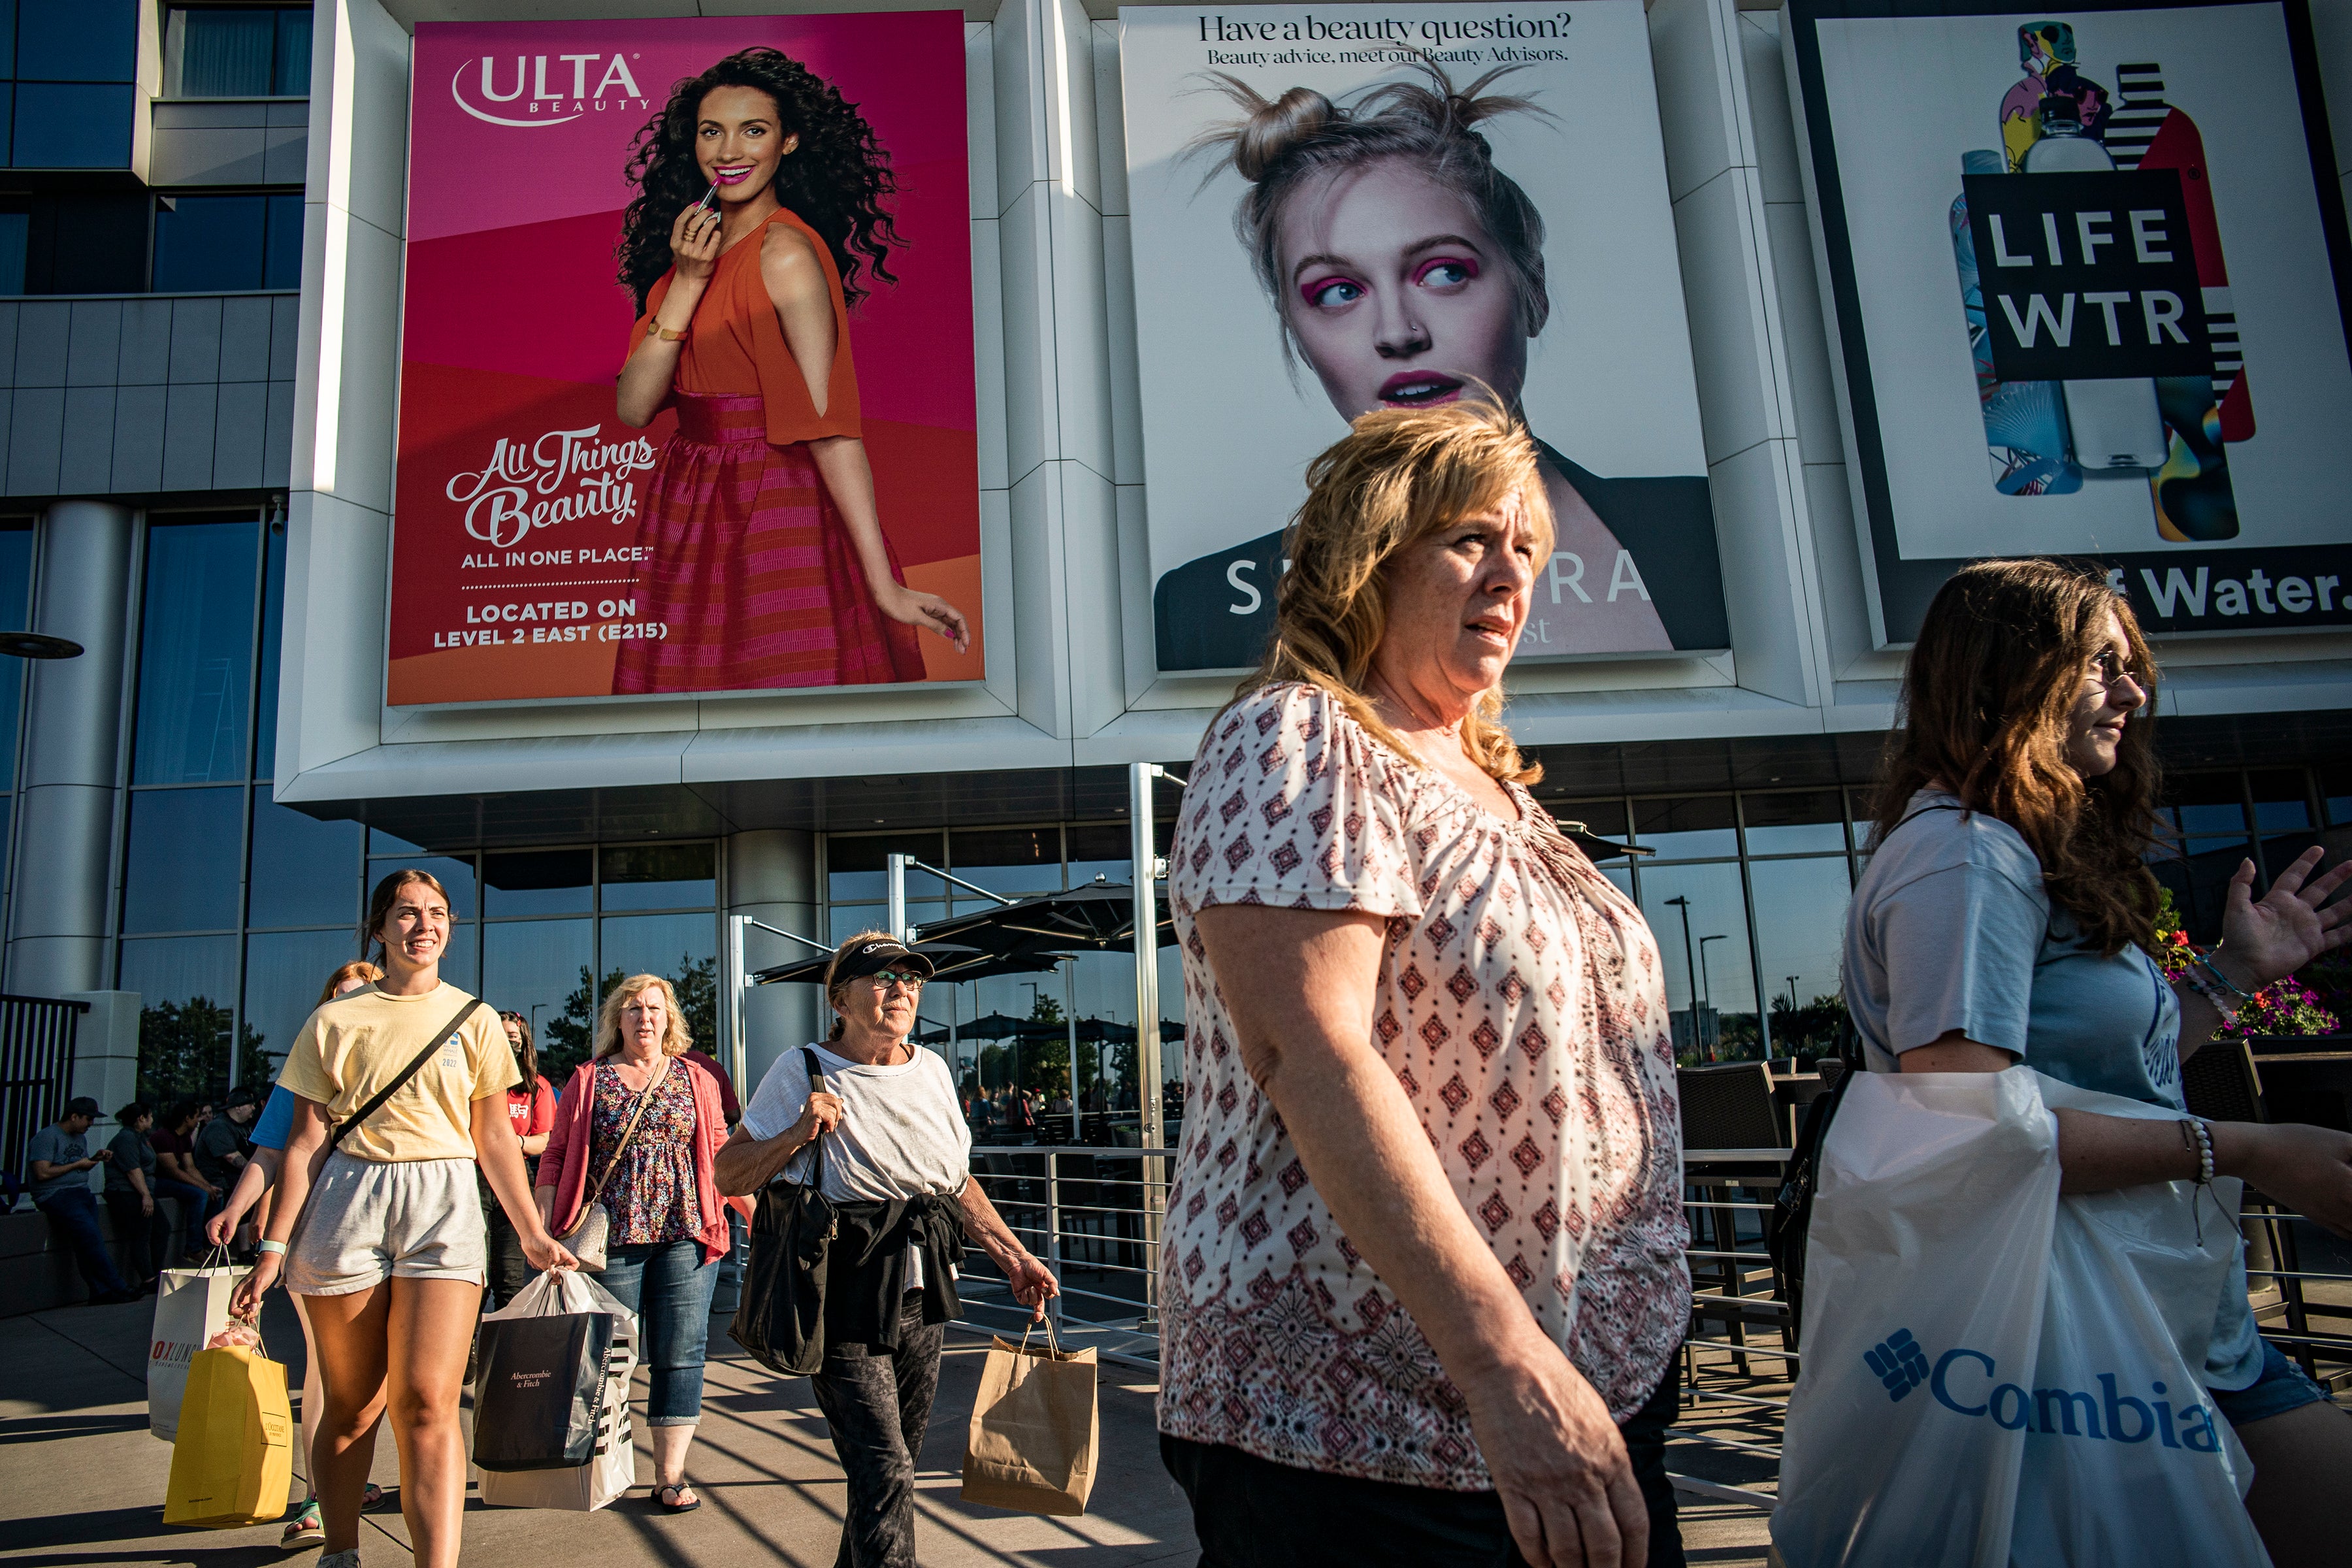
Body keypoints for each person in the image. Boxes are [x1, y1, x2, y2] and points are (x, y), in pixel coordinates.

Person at [1159, 399, 1691, 1568]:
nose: (1511, 574)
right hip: (1380, 1430)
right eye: (1469, 540)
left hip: (1598, 1393)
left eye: (1527, 548)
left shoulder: (1497, 786)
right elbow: (1313, 1054)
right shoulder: (1301, 739)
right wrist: (1504, 1363)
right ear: (1371, 556)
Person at [1842, 558, 2352, 1568]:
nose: (2133, 694)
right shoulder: (1966, 857)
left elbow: (2105, 1080)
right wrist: (2246, 1149)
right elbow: (1969, 1131)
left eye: (2132, 669)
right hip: (2073, 1342)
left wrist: (2232, 978)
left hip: (2158, 1320)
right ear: (2012, 676)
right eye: (2103, 666)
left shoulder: (2000, 850)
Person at [1178, 59, 1724, 659]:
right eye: (1338, 291)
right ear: (1297, 334)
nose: (1398, 332)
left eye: (1443, 273)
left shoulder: (1703, 531)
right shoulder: (1206, 608)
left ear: (1532, 289)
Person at [233, 873, 575, 1568]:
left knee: (426, 1404)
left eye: (437, 913)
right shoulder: (334, 1021)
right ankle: (341, 1549)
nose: (425, 925)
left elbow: (494, 1138)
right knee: (353, 1404)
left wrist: (532, 1233)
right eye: (408, 913)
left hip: (443, 1204)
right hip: (350, 1199)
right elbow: (304, 1143)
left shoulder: (475, 1019)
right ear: (379, 927)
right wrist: (272, 1249)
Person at [611, 46, 968, 694]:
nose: (728, 151)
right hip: (689, 499)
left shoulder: (785, 255)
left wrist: (883, 585)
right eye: (711, 131)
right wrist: (687, 283)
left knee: (781, 688)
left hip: (774, 498)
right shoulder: (689, 256)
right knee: (686, 708)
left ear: (790, 141)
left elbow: (829, 426)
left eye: (754, 130)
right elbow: (634, 408)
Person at [715, 932, 1060, 1568]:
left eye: (911, 979)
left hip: (922, 1294)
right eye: (883, 978)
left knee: (891, 1473)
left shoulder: (932, 1071)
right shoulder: (803, 1069)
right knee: (886, 1469)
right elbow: (728, 1172)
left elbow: (954, 1182)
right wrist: (797, 1132)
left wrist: (1013, 1257)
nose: (901, 989)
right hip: (841, 1291)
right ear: (840, 999)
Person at [212, 960, 389, 1550]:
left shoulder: (403, 1058)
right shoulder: (305, 1070)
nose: (350, 1008)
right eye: (340, 998)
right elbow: (269, 1152)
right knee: (328, 1369)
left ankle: (350, 1477)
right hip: (320, 1235)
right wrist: (237, 1210)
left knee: (392, 1374)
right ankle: (319, 1496)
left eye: (362, 995)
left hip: (399, 1231)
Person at [536, 975, 730, 1514]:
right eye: (634, 1009)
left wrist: (756, 1216)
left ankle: (670, 1475)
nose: (645, 1017)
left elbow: (720, 1151)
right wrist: (544, 1228)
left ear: (670, 1019)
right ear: (616, 1021)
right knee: (606, 1355)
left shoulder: (697, 1077)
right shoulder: (589, 1079)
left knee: (681, 1353)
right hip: (611, 1237)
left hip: (687, 1232)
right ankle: (599, 1463)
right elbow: (556, 1154)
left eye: (654, 1009)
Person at [27, 1098, 139, 1304]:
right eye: (88, 1119)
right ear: (74, 1116)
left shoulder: (79, 1138)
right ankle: (118, 1285)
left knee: (87, 1242)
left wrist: (94, 1160)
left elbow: (78, 1165)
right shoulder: (48, 1137)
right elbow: (42, 1173)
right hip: (56, 1194)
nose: (90, 1124)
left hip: (81, 1193)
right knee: (91, 1237)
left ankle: (100, 1292)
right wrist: (78, 1164)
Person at [483, 1011, 557, 1310]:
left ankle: (506, 1338)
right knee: (473, 1274)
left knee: (509, 1277)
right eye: (501, 1036)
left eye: (513, 1037)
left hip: (516, 1173)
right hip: (476, 1175)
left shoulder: (538, 1087)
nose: (508, 1043)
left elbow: (544, 1141)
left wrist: (512, 1142)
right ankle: (469, 1341)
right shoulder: (479, 1083)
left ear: (524, 1042)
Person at [103, 1102, 169, 1294]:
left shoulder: (141, 1137)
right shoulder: (126, 1138)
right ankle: (148, 1278)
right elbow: (133, 1170)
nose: (153, 1120)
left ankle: (156, 1274)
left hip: (143, 1191)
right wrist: (145, 1196)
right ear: (141, 1118)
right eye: (150, 1116)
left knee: (161, 1229)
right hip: (128, 1192)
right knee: (141, 1234)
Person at [151, 1100, 218, 1262]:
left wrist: (208, 1186)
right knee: (200, 1195)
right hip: (157, 1181)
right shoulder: (163, 1137)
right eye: (196, 1117)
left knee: (216, 1195)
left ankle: (209, 1245)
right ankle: (193, 1248)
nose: (198, 1121)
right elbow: (173, 1171)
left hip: (173, 1180)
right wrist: (203, 1188)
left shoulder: (185, 1138)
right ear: (187, 1118)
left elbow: (190, 1167)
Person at [195, 1086, 259, 1252]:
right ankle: (213, 1250)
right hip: (217, 1182)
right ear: (237, 1108)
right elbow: (232, 1157)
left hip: (233, 1179)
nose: (254, 1108)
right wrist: (256, 1173)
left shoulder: (244, 1126)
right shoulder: (219, 1127)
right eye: (250, 1104)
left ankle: (247, 1252)